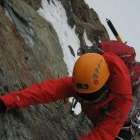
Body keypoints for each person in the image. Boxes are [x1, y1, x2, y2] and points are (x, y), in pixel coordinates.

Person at [0, 50, 133, 140]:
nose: (82, 99)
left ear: (105, 89)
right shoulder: (86, 77)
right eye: (80, 95)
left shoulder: (122, 101)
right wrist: (7, 101)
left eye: (89, 97)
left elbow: (103, 134)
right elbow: (46, 90)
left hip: (119, 125)